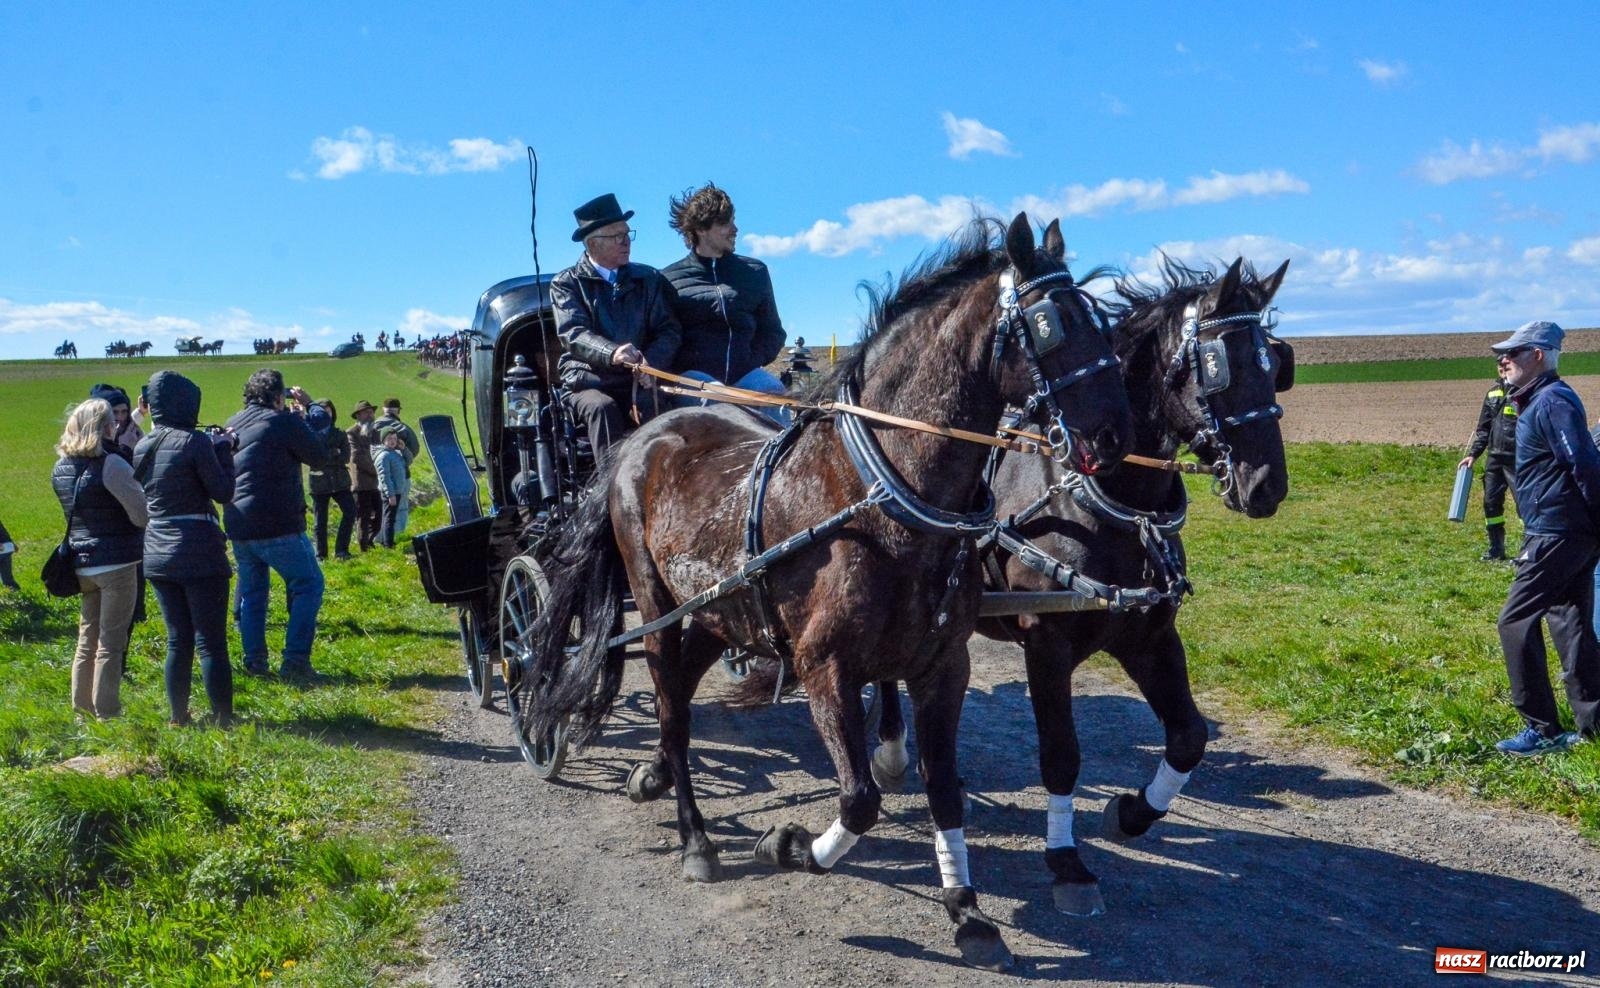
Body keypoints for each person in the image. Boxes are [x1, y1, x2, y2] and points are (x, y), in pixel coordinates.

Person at [1490, 320, 1600, 755]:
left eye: (1514, 352)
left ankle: (1542, 729)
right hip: (1569, 531)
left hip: (1557, 532)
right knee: (1570, 622)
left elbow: (1584, 464)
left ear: (1539, 355)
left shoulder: (1552, 400)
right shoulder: (1538, 400)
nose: (1504, 358)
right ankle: (1592, 726)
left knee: (1513, 622)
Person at [133, 371, 236, 727]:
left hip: (157, 551)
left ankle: (178, 717)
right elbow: (222, 492)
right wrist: (224, 451)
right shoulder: (194, 441)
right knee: (211, 641)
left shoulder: (143, 446)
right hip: (198, 548)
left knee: (178, 640)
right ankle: (223, 718)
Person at [549, 192, 682, 459]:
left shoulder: (648, 280)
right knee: (602, 407)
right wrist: (612, 353)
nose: (626, 242)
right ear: (592, 243)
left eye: (627, 234)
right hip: (588, 380)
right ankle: (608, 492)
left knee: (654, 405)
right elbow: (573, 333)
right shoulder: (567, 284)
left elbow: (668, 330)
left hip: (638, 377)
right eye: (616, 236)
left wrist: (651, 363)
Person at [224, 370, 333, 680]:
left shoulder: (233, 422)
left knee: (253, 594)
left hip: (239, 523)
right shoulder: (282, 421)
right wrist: (310, 407)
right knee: (308, 584)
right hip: (278, 521)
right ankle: (296, 661)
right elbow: (318, 456)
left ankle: (254, 662)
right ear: (277, 397)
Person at [51, 398, 149, 718]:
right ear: (107, 427)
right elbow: (141, 515)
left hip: (81, 563)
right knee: (110, 642)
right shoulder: (112, 464)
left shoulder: (61, 467)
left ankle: (82, 711)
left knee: (86, 639)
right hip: (117, 562)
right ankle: (107, 711)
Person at [661, 183, 788, 422]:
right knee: (720, 402)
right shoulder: (669, 280)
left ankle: (785, 460)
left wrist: (750, 361)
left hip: (745, 375)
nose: (735, 229)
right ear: (701, 229)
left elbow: (773, 332)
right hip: (692, 380)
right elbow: (664, 336)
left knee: (776, 397)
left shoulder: (754, 272)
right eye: (725, 223)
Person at [1458, 372, 1519, 560]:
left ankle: (1528, 553)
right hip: (1494, 459)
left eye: (1506, 364)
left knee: (1525, 507)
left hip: (1518, 460)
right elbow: (1483, 429)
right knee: (1491, 504)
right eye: (1500, 365)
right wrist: (1472, 455)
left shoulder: (1525, 393)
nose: (1503, 369)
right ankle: (1496, 549)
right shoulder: (1492, 394)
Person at [308, 399, 356, 560]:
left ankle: (342, 550)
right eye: (322, 411)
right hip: (319, 483)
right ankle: (321, 555)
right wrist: (333, 452)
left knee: (350, 512)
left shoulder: (340, 433)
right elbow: (312, 459)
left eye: (328, 411)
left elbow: (345, 457)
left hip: (340, 481)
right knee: (320, 521)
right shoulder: (309, 435)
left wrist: (326, 456)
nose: (326, 415)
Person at [375, 398, 418, 534]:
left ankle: (380, 536)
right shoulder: (403, 428)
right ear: (398, 411)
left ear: (383, 410)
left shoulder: (372, 426)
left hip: (376, 476)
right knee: (401, 508)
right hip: (401, 476)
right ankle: (397, 536)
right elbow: (414, 449)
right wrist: (402, 461)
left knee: (381, 508)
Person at [348, 400, 383, 551]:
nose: (370, 415)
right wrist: (376, 470)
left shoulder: (376, 433)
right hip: (361, 483)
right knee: (363, 516)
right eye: (366, 412)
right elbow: (357, 457)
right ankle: (364, 546)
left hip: (376, 483)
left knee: (378, 515)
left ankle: (370, 540)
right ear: (358, 415)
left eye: (371, 412)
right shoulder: (352, 433)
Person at [373, 428, 409, 549]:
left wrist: (403, 449)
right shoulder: (384, 456)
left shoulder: (395, 453)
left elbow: (408, 461)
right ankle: (388, 544)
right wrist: (390, 494)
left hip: (397, 491)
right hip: (391, 492)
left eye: (394, 438)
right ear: (383, 440)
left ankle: (387, 541)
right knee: (389, 517)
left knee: (390, 516)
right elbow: (385, 477)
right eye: (389, 439)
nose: (393, 441)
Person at [89, 383, 144, 460]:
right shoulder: (91, 444)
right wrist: (125, 448)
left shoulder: (134, 434)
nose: (120, 417)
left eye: (124, 411)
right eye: (114, 412)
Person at [0, 516, 19, 590]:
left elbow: (2, 531)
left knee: (7, 579)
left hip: (3, 550)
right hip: (3, 549)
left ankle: (13, 589)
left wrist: (10, 543)